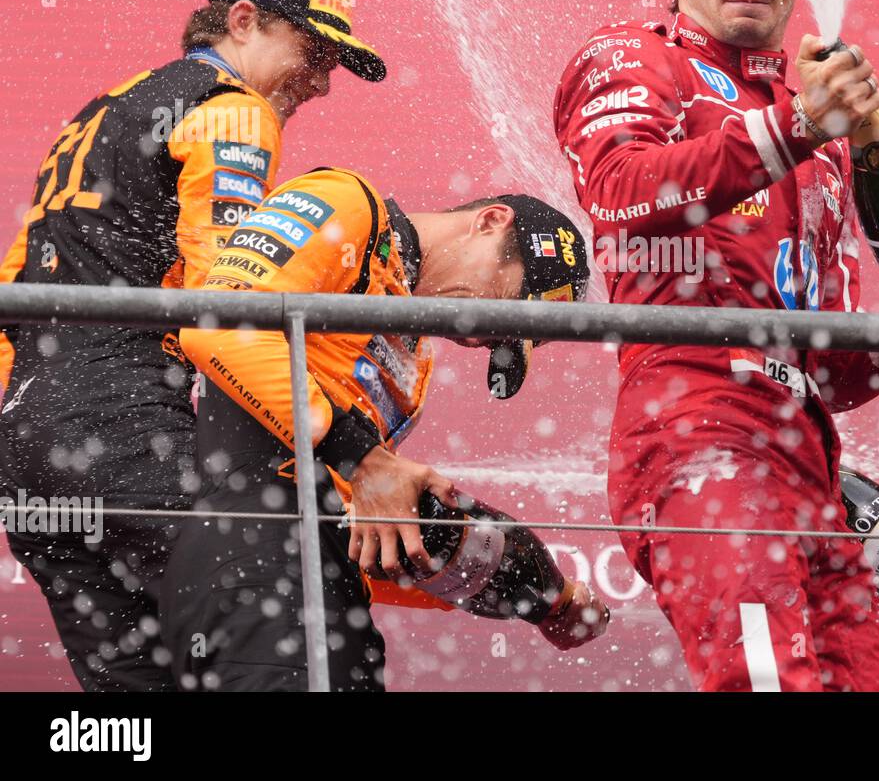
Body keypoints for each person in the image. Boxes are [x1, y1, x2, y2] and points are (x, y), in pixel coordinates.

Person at [553, 0, 879, 691]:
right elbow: (617, 189)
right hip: (695, 426)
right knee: (763, 683)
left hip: (809, 453)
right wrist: (800, 123)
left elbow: (829, 372)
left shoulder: (823, 135)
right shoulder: (635, 54)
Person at [0, 0, 385, 690]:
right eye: (313, 52)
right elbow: (228, 297)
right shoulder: (231, 108)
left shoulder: (104, 108)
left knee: (131, 710)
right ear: (243, 21)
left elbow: (14, 286)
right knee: (278, 648)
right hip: (128, 433)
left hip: (27, 454)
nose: (322, 84)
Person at [164, 167, 607, 690]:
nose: (484, 341)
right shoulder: (347, 203)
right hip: (253, 558)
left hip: (322, 584)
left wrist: (534, 592)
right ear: (490, 221)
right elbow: (219, 325)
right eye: (507, 312)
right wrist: (367, 460)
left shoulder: (415, 364)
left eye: (503, 344)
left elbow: (371, 522)